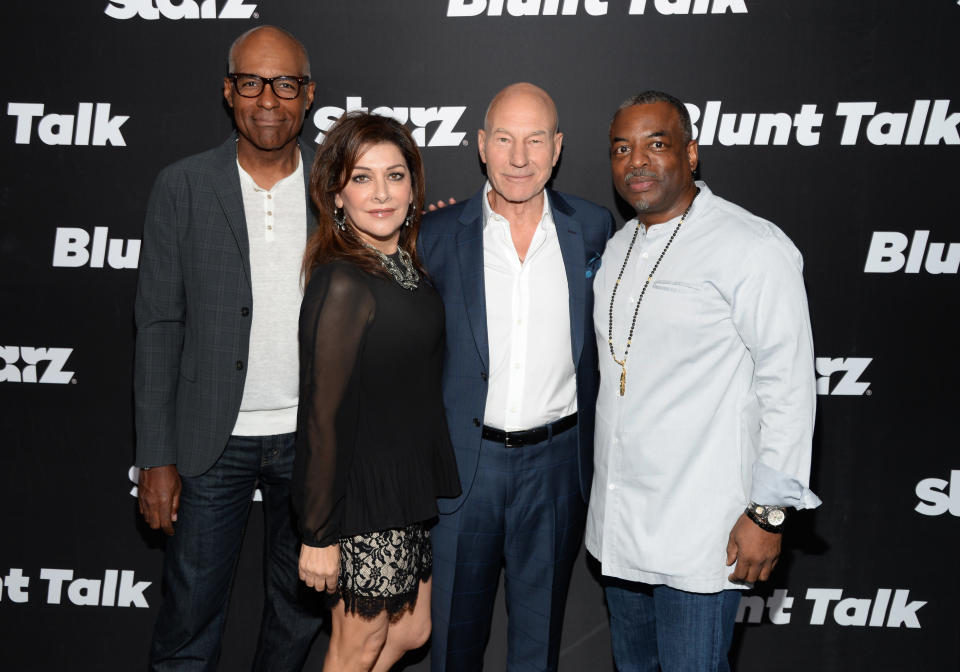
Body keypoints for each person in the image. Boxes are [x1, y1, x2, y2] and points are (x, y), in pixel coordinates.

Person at [587, 90, 822, 671]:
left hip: (702, 533)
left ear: (691, 154)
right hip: (620, 529)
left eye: (656, 144)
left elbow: (788, 387)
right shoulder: (619, 247)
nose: (636, 161)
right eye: (622, 148)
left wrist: (769, 514)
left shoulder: (751, 246)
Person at [134, 26, 324, 669]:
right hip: (212, 441)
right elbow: (158, 325)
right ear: (228, 91)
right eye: (251, 82)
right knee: (189, 619)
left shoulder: (341, 185)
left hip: (311, 440)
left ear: (308, 95)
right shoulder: (182, 186)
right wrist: (156, 456)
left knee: (297, 617)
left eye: (285, 84)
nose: (268, 99)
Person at [419, 82, 614, 672]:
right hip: (463, 471)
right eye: (504, 139)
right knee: (453, 644)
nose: (520, 158)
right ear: (481, 146)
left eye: (535, 140)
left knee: (537, 648)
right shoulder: (433, 235)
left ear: (557, 148)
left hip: (556, 470)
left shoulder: (597, 228)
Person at [293, 111, 461, 672]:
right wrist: (318, 534)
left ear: (414, 185)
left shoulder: (403, 264)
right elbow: (321, 415)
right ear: (336, 194)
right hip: (361, 496)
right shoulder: (342, 280)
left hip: (404, 482)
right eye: (362, 178)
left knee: (413, 632)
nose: (381, 193)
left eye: (395, 175)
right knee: (356, 646)